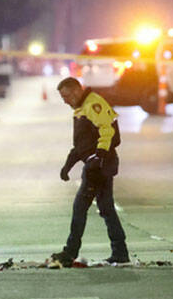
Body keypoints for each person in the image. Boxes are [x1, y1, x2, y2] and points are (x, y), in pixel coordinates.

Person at [49, 76, 130, 268]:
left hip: (100, 166)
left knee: (80, 207)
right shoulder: (81, 109)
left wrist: (98, 158)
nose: (65, 101)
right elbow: (82, 144)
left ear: (76, 91)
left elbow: (108, 131)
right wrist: (68, 165)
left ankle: (70, 252)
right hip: (97, 165)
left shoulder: (94, 105)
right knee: (107, 208)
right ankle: (120, 252)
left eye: (66, 96)